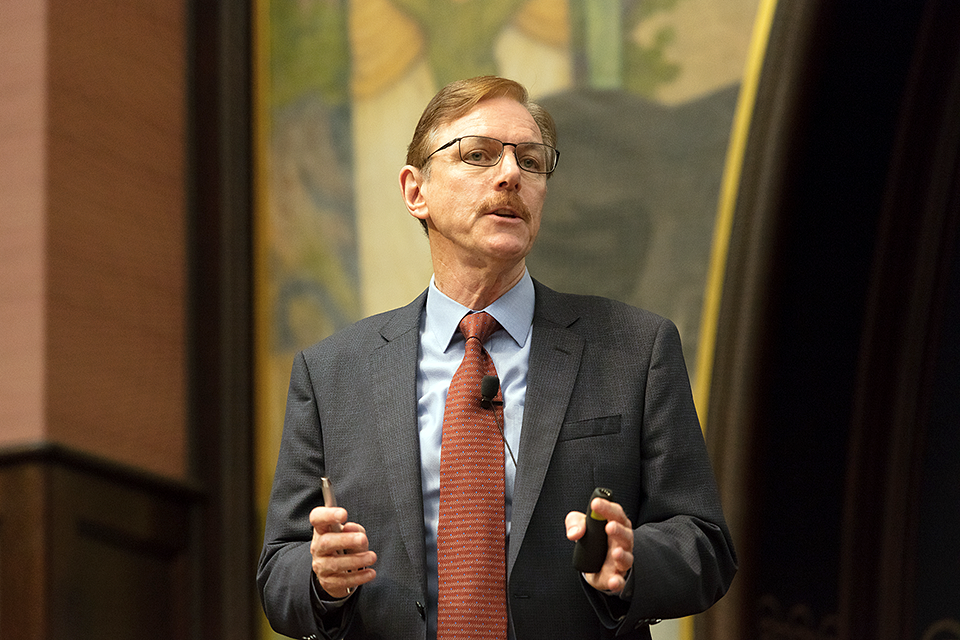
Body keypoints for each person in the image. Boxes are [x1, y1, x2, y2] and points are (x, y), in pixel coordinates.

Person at [258, 76, 737, 640]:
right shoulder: (333, 373)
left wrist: (633, 562)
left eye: (531, 161)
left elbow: (704, 544)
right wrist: (321, 579)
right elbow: (279, 572)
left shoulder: (634, 350)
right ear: (416, 191)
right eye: (479, 155)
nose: (511, 174)